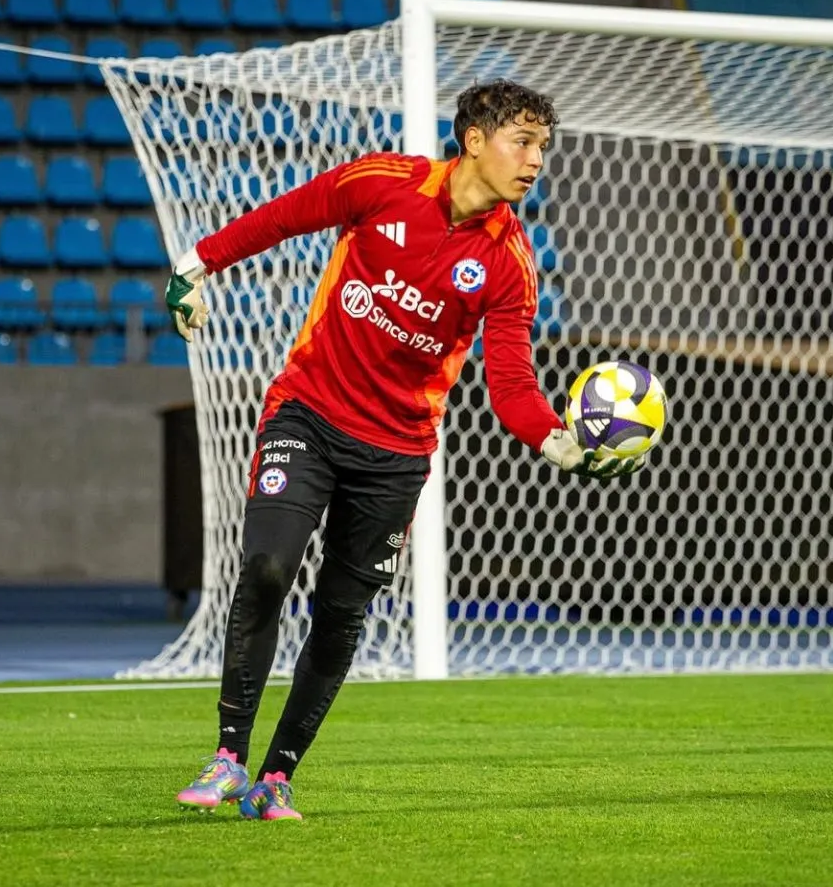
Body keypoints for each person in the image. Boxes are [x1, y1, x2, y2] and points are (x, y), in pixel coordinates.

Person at [165, 79, 644, 822]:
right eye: (523, 140)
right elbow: (283, 217)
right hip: (308, 413)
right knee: (266, 566)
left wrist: (556, 439)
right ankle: (228, 754)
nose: (536, 159)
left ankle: (276, 776)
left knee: (342, 613)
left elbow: (511, 382)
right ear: (475, 138)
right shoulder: (381, 182)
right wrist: (197, 266)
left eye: (544, 146)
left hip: (395, 452)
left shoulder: (510, 262)